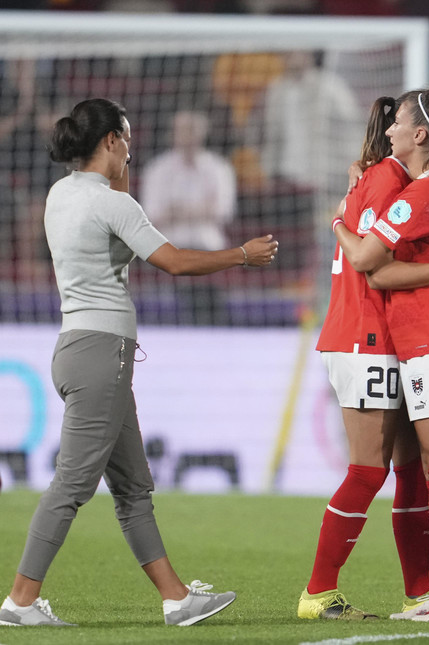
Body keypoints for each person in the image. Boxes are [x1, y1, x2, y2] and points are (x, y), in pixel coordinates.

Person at [0, 98, 277, 627]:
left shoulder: (60, 193)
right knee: (72, 485)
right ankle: (20, 601)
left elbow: (115, 206)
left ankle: (177, 599)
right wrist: (242, 254)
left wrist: (118, 168)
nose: (131, 148)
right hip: (101, 356)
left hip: (78, 348)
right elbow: (174, 261)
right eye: (125, 138)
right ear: (110, 140)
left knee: (133, 487)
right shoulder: (115, 206)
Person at [297, 97, 429, 622]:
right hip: (365, 337)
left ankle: (419, 593)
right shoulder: (386, 182)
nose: (396, 129)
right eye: (394, 122)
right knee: (367, 469)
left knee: (411, 472)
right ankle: (319, 592)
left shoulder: (388, 179)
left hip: (393, 339)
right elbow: (368, 263)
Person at [139, 110, 237, 324]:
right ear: (172, 133)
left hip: (209, 248)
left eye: (192, 130)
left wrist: (177, 210)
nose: (187, 135)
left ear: (203, 132)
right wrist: (201, 209)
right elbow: (151, 216)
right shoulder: (157, 169)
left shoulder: (219, 168)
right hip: (169, 248)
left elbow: (223, 211)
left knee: (208, 296)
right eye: (182, 130)